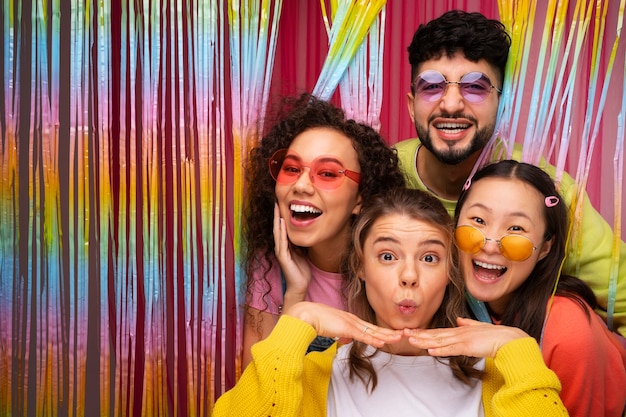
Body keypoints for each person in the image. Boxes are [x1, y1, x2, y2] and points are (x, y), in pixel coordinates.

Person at [214, 188, 568, 417]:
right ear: (360, 267)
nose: (409, 275)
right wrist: (297, 319)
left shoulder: (495, 379)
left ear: (449, 273)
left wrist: (519, 348)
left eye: (430, 258)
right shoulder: (316, 374)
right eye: (387, 256)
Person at [394, 9, 626, 336]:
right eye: (432, 87)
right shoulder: (382, 173)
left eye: (475, 87)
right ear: (411, 103)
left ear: (502, 105)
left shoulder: (547, 190)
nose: (450, 104)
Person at [445, 160, 626, 416]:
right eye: (478, 220)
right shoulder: (446, 300)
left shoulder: (568, 330)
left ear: (545, 248)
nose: (490, 244)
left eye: (516, 228)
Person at [241, 93, 405, 367]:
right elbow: (257, 395)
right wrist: (295, 294)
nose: (302, 185)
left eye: (328, 173)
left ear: (361, 197)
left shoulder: (395, 270)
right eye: (291, 168)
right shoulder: (271, 268)